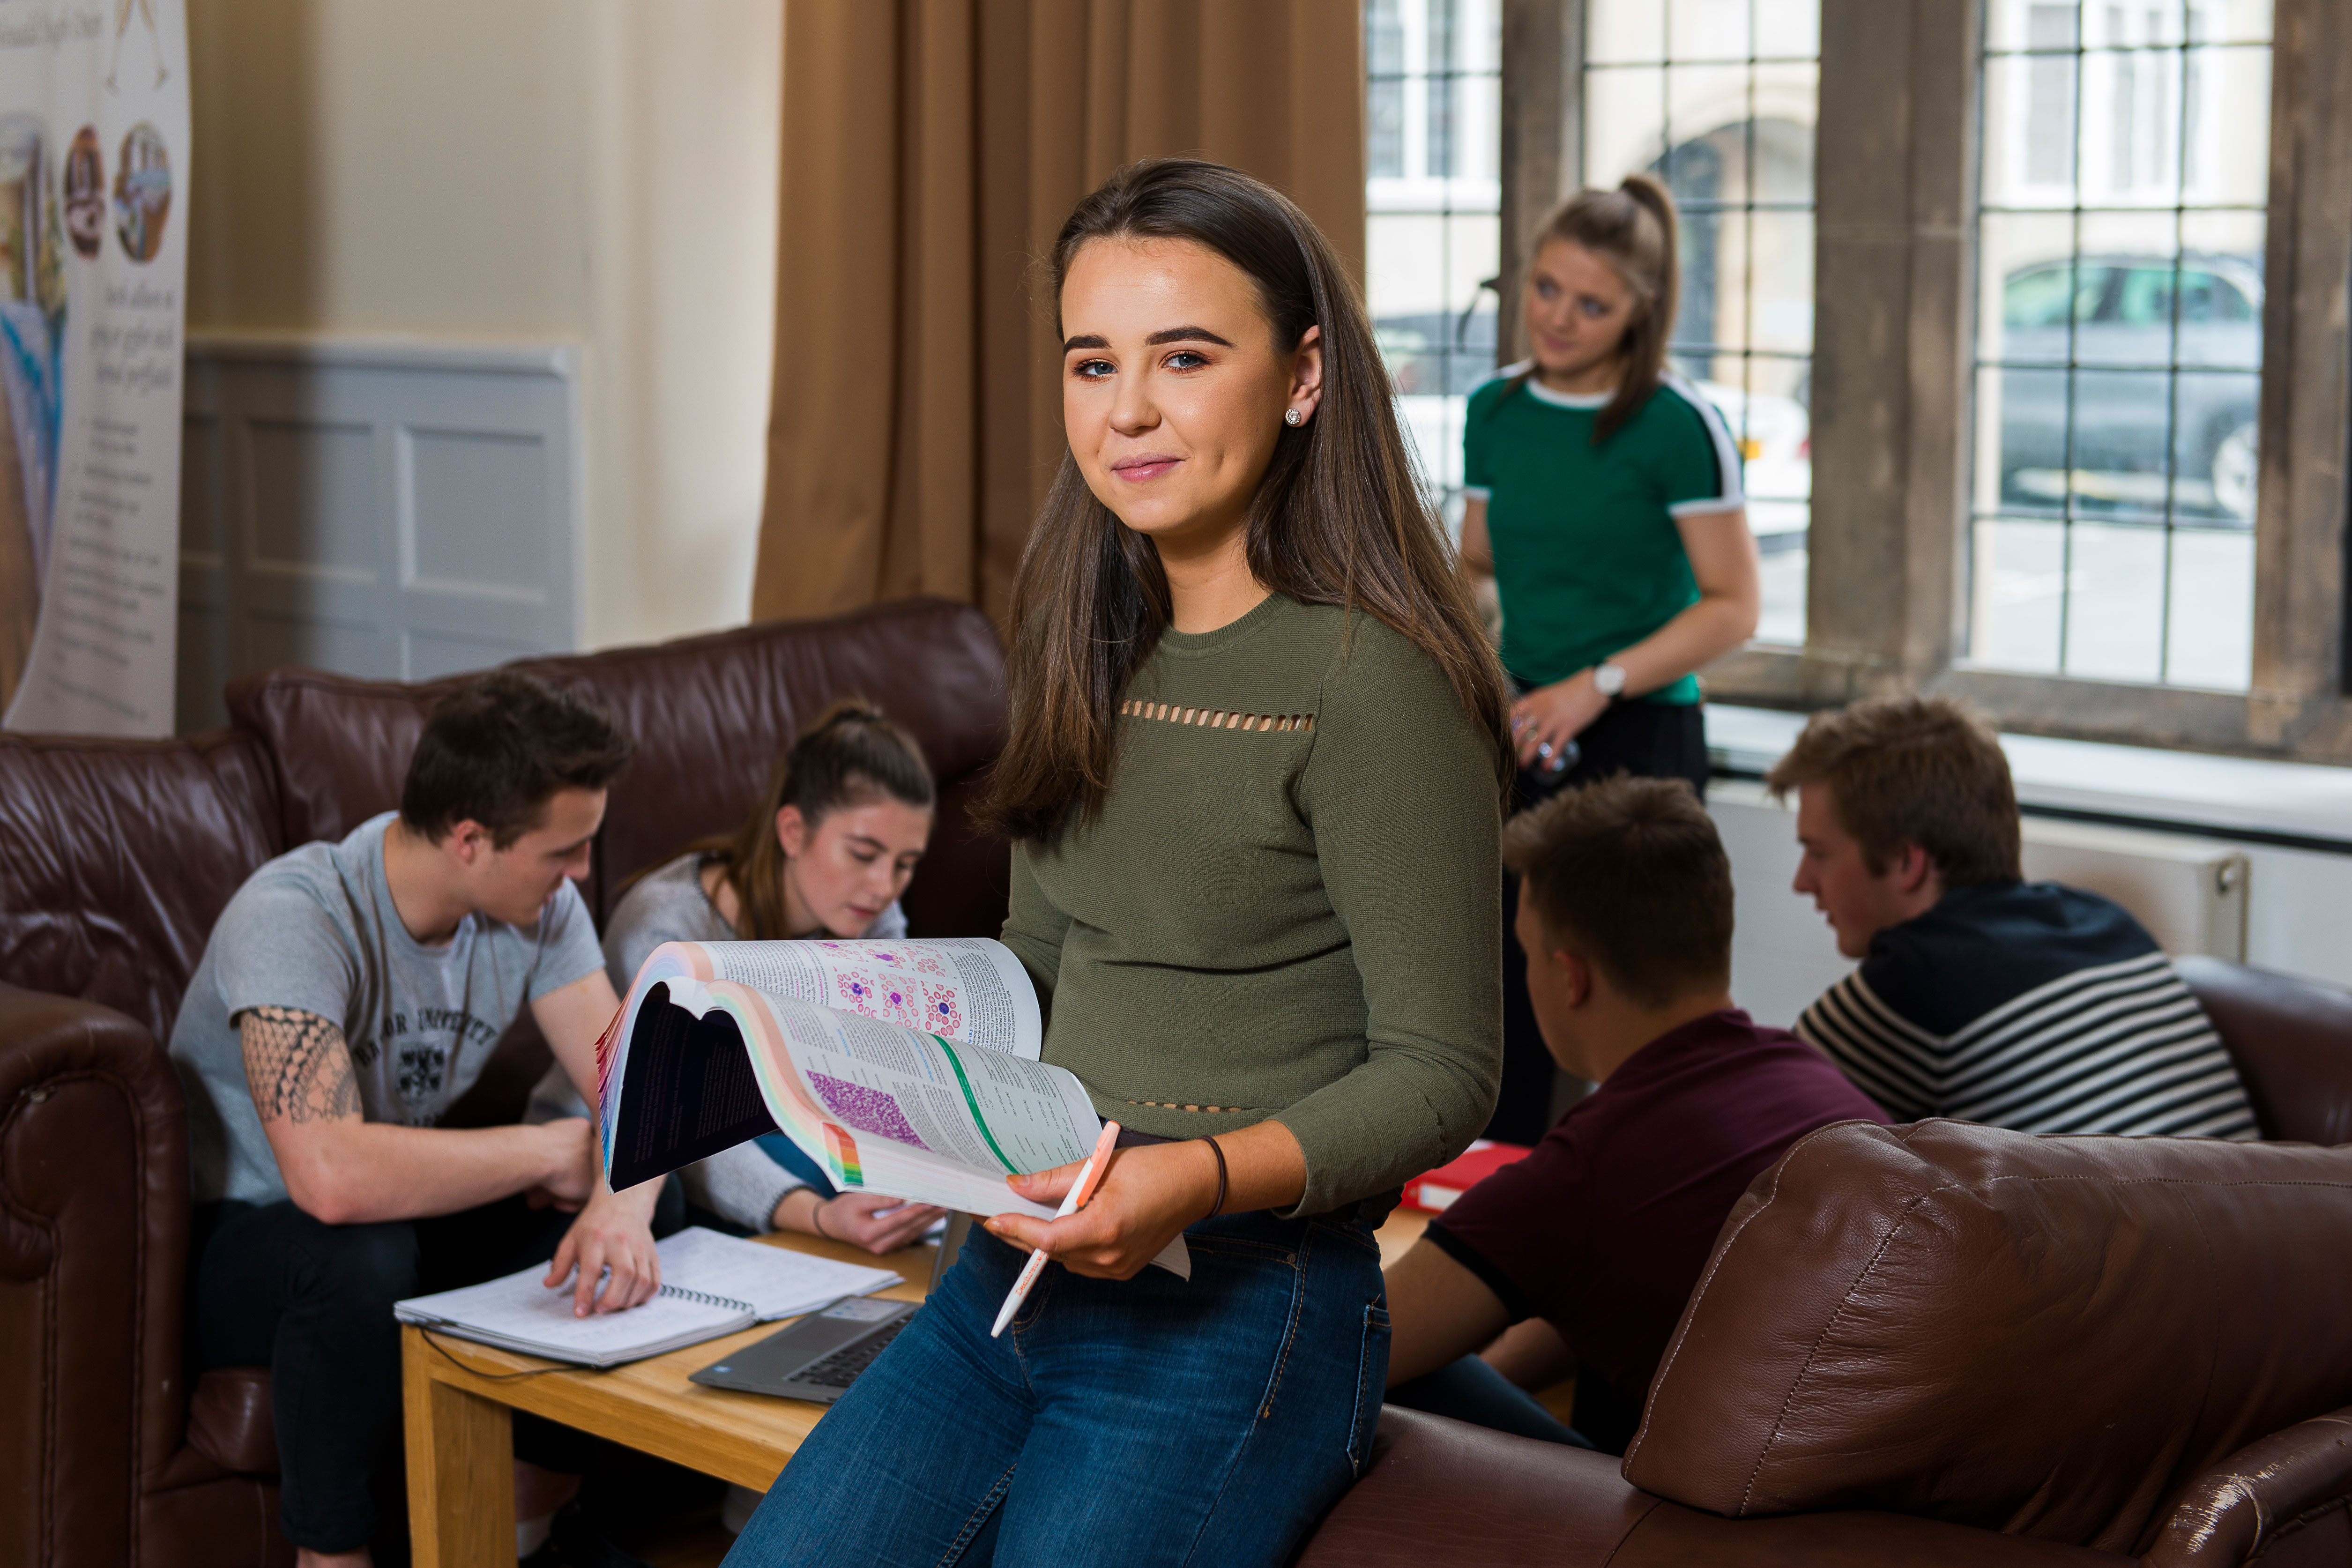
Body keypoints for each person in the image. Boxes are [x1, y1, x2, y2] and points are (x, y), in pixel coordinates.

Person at [723, 158, 1510, 1568]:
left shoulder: (1374, 685)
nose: (1126, 409)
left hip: (1239, 1305)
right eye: (1092, 362)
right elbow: (1038, 961)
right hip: (1008, 1273)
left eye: (1184, 357)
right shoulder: (1076, 635)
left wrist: (1190, 1176)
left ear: (1300, 375)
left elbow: (1444, 1069)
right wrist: (841, 1041)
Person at [169, 673, 668, 1568]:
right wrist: (552, 1148)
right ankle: (332, 1559)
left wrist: (619, 1206)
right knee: (359, 1254)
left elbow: (644, 1089)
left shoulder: (540, 911)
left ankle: (533, 1529)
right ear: (471, 839)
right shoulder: (296, 916)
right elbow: (329, 1179)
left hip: (401, 1217)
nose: (584, 874)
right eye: (566, 851)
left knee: (637, 1215)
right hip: (248, 1244)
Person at [1382, 776, 1887, 1455]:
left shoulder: (1586, 1172)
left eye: (1526, 952)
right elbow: (1618, 1282)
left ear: (1570, 975)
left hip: (1700, 1523)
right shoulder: (1815, 1081)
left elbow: (1360, 1342)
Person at [1456, 176, 1763, 1143]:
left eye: (1590, 304)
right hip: (1521, 724)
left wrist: (1597, 683)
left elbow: (1733, 607)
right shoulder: (1494, 411)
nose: (1557, 318)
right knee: (1506, 992)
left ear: (1641, 309)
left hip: (1638, 729)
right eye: (1545, 288)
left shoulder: (1678, 426)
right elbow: (1473, 568)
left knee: (1632, 1008)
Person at [528, 697, 945, 1255]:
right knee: (805, 1176)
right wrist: (817, 1214)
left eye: (906, 863)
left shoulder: (872, 918)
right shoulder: (667, 929)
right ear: (793, 831)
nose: (884, 885)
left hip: (770, 1129)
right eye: (864, 853)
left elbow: (879, 1067)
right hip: (623, 1148)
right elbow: (675, 1131)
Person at [1770, 694, 2259, 1139]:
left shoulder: (1913, 985)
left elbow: (1761, 1138)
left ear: (1906, 862)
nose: (1802, 880)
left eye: (1819, 853)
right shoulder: (2108, 923)